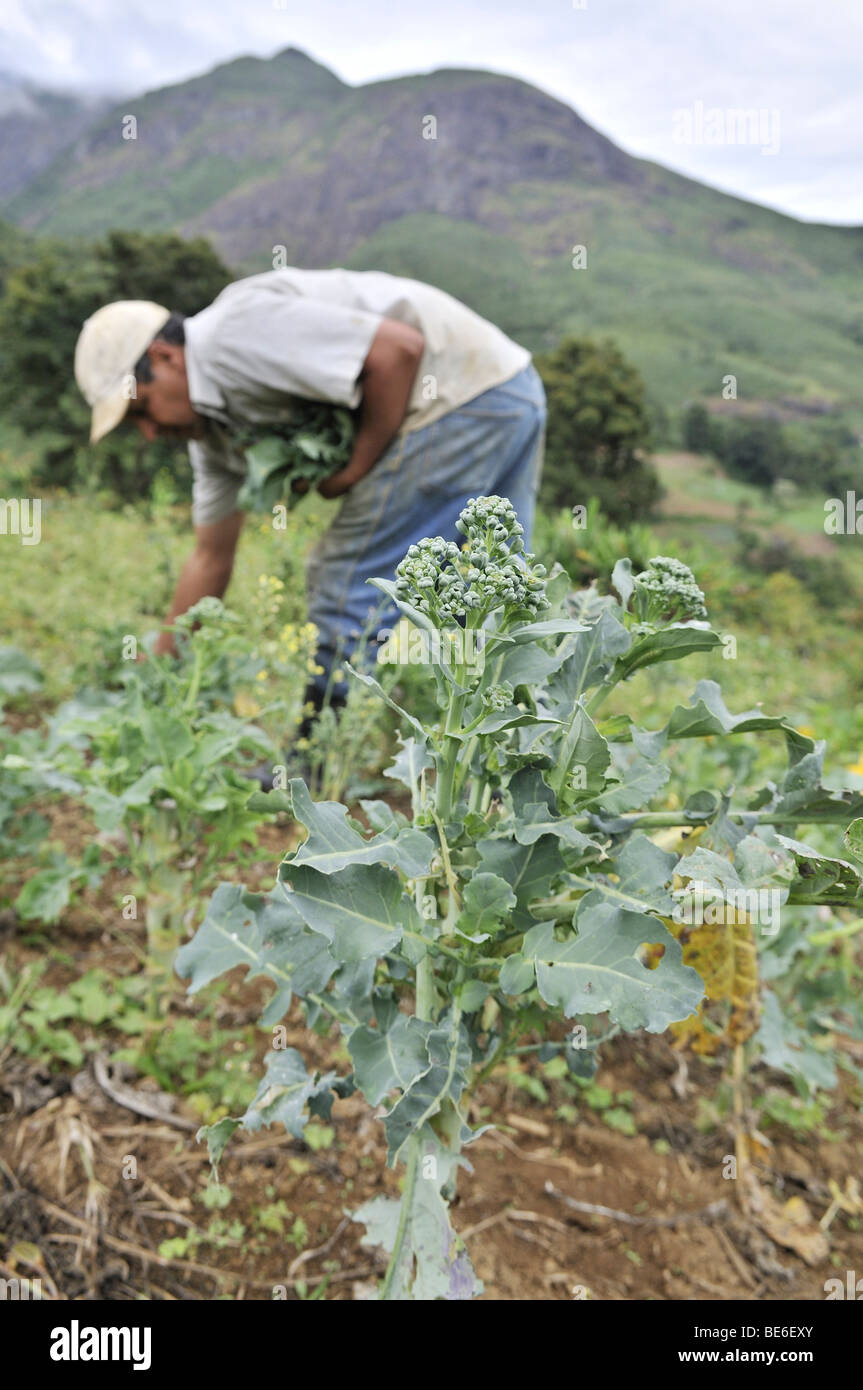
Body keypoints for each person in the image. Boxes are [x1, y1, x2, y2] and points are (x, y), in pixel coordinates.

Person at [74, 266, 546, 738]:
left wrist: (353, 469)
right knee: (491, 587)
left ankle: (319, 754)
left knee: (346, 578)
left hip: (459, 391)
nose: (151, 433)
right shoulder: (213, 438)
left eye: (142, 410)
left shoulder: (231, 336)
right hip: (510, 386)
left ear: (165, 357)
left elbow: (399, 349)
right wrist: (164, 665)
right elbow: (210, 554)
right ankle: (508, 746)